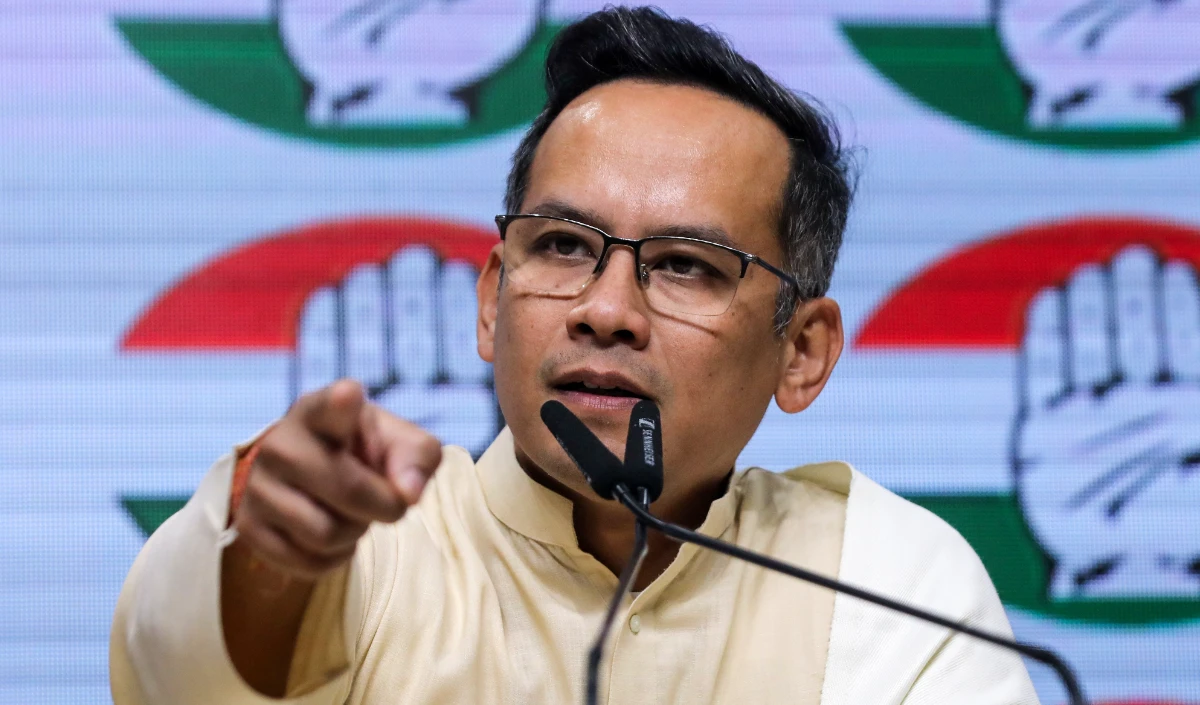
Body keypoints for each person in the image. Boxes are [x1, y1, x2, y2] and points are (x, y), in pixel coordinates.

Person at [110, 7, 1038, 704]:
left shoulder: (884, 580)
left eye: (684, 265)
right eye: (561, 246)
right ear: (492, 300)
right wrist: (271, 546)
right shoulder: (374, 542)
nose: (605, 310)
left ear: (802, 351)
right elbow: (181, 671)